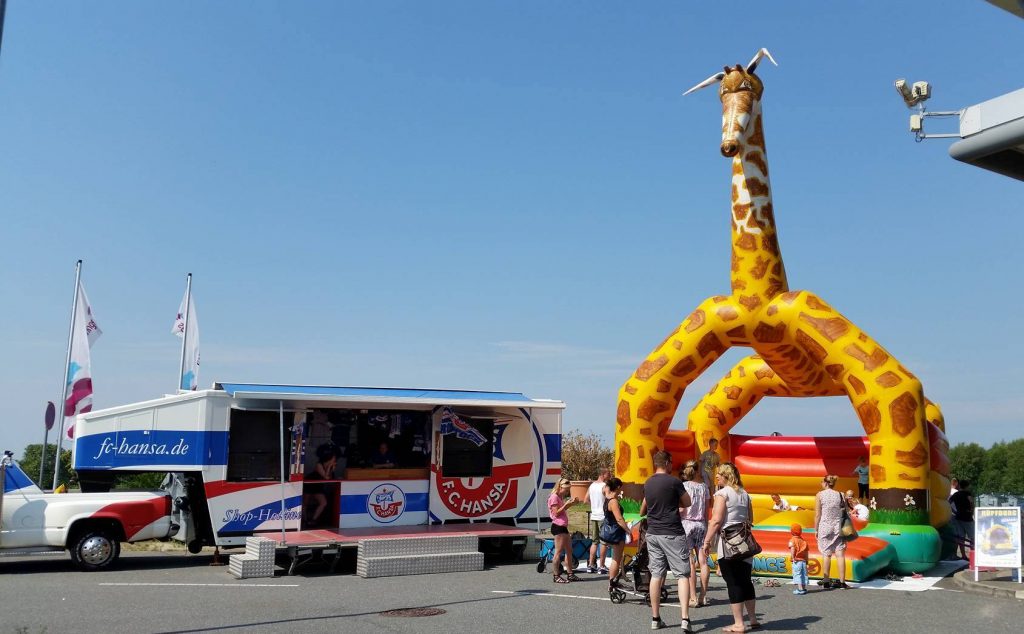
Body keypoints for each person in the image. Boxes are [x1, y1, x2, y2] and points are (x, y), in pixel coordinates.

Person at [704, 462, 762, 633]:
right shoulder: (744, 494)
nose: (716, 477)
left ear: (726, 476)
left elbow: (716, 520)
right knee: (745, 580)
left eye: (719, 474)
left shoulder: (722, 493)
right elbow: (750, 518)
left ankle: (738, 623)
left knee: (733, 582)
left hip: (729, 541)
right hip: (744, 540)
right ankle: (752, 618)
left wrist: (707, 541)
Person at [640, 450, 693, 632]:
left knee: (656, 574)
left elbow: (644, 508)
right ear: (668, 463)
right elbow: (687, 503)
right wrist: (673, 503)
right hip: (672, 532)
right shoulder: (674, 482)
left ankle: (655, 618)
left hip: (653, 533)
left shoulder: (648, 483)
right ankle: (685, 619)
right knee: (682, 575)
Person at [680, 460, 711, 609]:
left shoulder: (684, 487)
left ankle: (693, 596)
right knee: (703, 561)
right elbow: (706, 511)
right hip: (701, 524)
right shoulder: (704, 488)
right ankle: (703, 596)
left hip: (686, 524)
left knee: (690, 562)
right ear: (698, 470)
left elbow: (682, 510)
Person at [815, 474, 849, 589]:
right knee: (840, 555)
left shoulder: (820, 495)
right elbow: (846, 512)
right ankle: (842, 582)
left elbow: (817, 514)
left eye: (821, 481)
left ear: (825, 483)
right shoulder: (841, 495)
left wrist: (816, 529)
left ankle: (826, 580)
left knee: (826, 554)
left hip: (825, 526)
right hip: (838, 527)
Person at [600, 477, 631, 591]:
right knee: (616, 559)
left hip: (609, 530)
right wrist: (628, 530)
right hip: (616, 532)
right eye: (620, 488)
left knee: (615, 558)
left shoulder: (607, 498)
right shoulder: (613, 501)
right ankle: (612, 583)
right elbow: (619, 518)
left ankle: (612, 583)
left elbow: (605, 489)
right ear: (617, 487)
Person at [548, 478, 579, 583]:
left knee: (569, 551)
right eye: (565, 489)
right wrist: (566, 505)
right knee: (558, 552)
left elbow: (562, 510)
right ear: (560, 487)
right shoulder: (554, 497)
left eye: (568, 490)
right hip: (558, 526)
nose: (566, 492)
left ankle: (570, 573)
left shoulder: (559, 497)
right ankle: (556, 575)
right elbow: (556, 513)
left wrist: (571, 504)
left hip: (563, 526)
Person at [584, 469, 610, 573]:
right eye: (608, 474)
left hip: (594, 515)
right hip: (602, 516)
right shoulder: (605, 486)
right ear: (603, 474)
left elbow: (585, 500)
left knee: (595, 541)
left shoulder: (592, 485)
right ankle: (602, 565)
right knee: (604, 542)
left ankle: (591, 565)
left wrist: (594, 505)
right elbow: (609, 498)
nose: (610, 475)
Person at [306, 443, 338, 526]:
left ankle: (313, 519)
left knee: (323, 503)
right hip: (309, 483)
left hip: (318, 485)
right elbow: (325, 477)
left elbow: (330, 478)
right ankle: (304, 520)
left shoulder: (331, 466)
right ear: (329, 458)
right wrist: (328, 468)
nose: (335, 459)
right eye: (334, 458)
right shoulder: (319, 464)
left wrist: (331, 469)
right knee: (305, 503)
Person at [949, 479, 975, 561]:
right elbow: (971, 503)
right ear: (967, 486)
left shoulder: (956, 494)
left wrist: (954, 511)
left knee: (961, 538)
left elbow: (948, 502)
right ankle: (973, 555)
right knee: (972, 537)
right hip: (967, 518)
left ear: (960, 486)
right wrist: (971, 511)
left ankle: (963, 555)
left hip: (958, 517)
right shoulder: (968, 494)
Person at [788, 523, 809, 595]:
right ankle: (803, 588)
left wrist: (793, 557)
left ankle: (800, 589)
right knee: (804, 575)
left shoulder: (792, 540)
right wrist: (807, 561)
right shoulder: (803, 541)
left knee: (798, 574)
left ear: (791, 532)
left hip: (797, 560)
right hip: (803, 561)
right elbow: (806, 552)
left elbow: (793, 549)